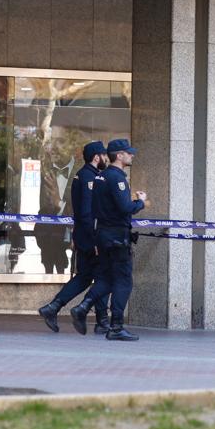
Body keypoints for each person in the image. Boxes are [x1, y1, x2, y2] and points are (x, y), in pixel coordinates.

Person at [71, 138, 146, 341]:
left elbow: (95, 209)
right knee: (123, 281)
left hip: (103, 236)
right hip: (116, 237)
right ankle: (116, 326)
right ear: (119, 155)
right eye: (128, 153)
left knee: (106, 278)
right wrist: (140, 202)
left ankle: (83, 307)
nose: (132, 155)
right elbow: (125, 208)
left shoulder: (100, 177)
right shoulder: (117, 178)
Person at [37, 141, 111, 333]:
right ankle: (101, 321)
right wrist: (95, 239)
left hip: (86, 236)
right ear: (96, 157)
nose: (106, 159)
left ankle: (53, 308)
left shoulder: (88, 175)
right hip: (90, 237)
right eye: (104, 155)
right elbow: (86, 213)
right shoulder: (88, 177)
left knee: (87, 276)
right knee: (102, 276)